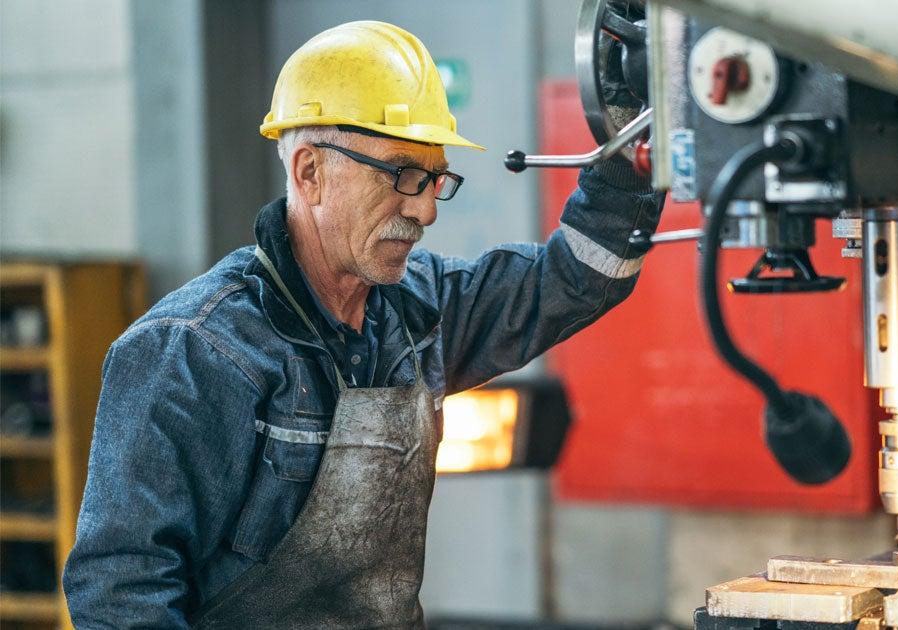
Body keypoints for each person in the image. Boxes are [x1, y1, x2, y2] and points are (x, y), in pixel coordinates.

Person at [63, 21, 662, 627]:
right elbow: (121, 591)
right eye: (402, 173)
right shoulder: (194, 352)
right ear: (309, 173)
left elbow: (576, 278)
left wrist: (629, 139)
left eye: (435, 180)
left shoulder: (419, 310)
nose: (425, 208)